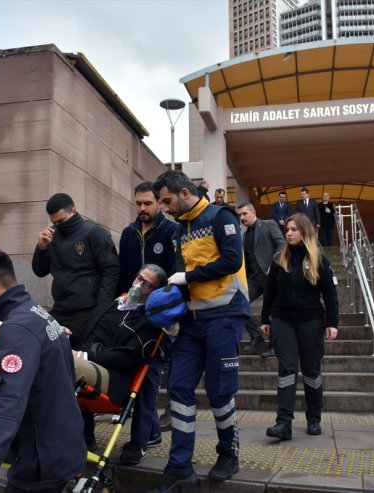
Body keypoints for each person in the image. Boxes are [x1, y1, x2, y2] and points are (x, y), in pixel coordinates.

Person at [150, 170, 251, 492]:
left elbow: (232, 261)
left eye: (167, 200)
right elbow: (184, 272)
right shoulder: (181, 229)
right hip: (193, 319)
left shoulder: (221, 216)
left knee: (221, 391)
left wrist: (188, 278)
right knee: (178, 388)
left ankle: (228, 453)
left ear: (183, 192)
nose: (164, 208)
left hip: (225, 314)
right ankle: (179, 466)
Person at [0, 248, 85, 493]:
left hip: (40, 461)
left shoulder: (17, 329)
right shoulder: (37, 314)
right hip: (55, 448)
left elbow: (3, 414)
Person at [74, 264, 168, 465]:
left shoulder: (147, 321)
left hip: (113, 377)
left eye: (146, 284)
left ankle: (140, 441)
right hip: (87, 361)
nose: (139, 285)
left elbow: (126, 357)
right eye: (139, 278)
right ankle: (81, 435)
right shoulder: (112, 306)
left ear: (154, 292)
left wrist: (84, 355)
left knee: (67, 364)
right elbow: (86, 335)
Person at [260, 213, 339, 440]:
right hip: (283, 320)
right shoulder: (279, 259)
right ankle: (283, 423)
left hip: (312, 321)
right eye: (288, 230)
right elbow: (270, 292)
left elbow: (330, 295)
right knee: (287, 369)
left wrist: (332, 323)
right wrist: (265, 319)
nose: (289, 233)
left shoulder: (320, 260)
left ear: (304, 231)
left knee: (312, 371)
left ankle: (314, 417)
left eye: (294, 229)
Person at [115, 183, 177, 462]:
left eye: (147, 204)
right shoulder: (128, 234)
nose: (142, 209)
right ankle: (151, 430)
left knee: (149, 375)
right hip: (131, 313)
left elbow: (176, 276)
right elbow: (122, 274)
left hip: (159, 315)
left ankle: (139, 440)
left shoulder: (171, 231)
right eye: (138, 203)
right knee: (135, 374)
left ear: (159, 204)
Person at [31, 192, 120, 348]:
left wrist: (101, 306)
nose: (58, 225)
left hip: (88, 309)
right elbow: (40, 271)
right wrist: (42, 248)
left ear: (73, 210)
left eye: (62, 221)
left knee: (80, 358)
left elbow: (111, 269)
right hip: (61, 308)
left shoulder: (94, 232)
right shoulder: (53, 235)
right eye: (54, 222)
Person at [236, 203, 285, 355]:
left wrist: (273, 265)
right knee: (237, 304)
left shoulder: (269, 224)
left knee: (273, 311)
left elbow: (282, 244)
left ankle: (274, 346)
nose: (241, 218)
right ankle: (256, 336)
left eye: (244, 214)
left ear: (253, 212)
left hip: (272, 277)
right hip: (254, 279)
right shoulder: (245, 235)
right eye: (239, 215)